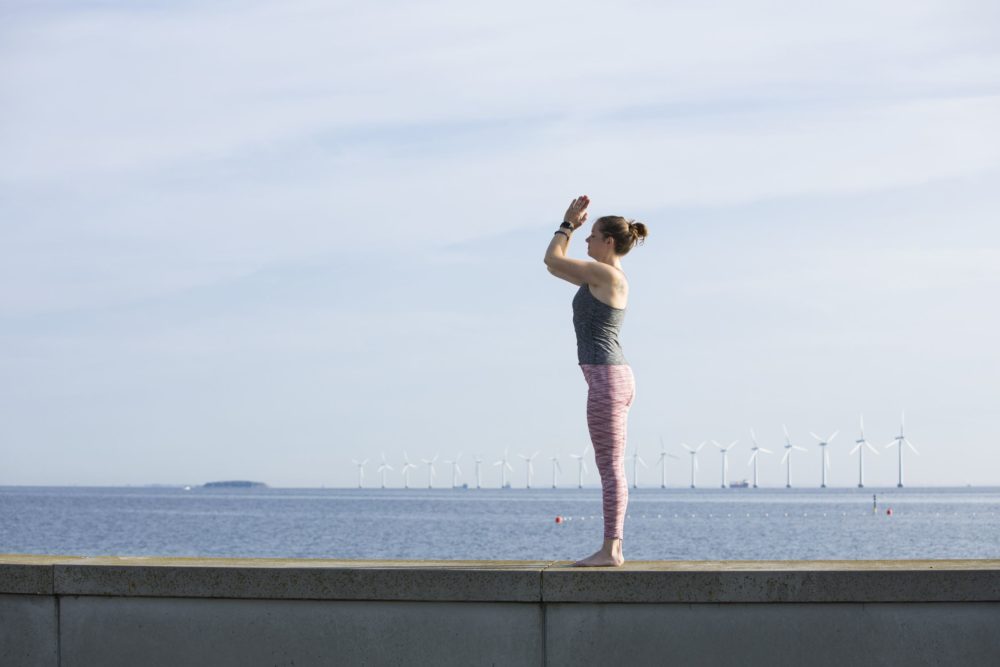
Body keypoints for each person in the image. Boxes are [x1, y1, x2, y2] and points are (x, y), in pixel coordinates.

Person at [544, 195, 648, 566]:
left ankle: (612, 550)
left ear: (607, 242)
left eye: (591, 236)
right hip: (609, 377)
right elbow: (556, 265)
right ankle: (612, 547)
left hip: (608, 379)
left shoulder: (605, 274)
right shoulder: (602, 275)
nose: (585, 242)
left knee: (609, 465)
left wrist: (567, 223)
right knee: (610, 463)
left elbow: (552, 262)